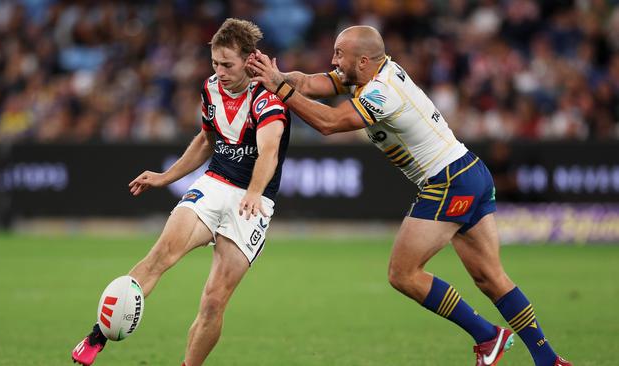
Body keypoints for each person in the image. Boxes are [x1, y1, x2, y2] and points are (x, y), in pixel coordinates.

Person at [248, 25, 571, 366]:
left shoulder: (383, 92)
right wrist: (277, 74)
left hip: (448, 181)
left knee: (403, 273)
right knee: (490, 277)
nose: (333, 61)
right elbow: (313, 83)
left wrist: (280, 90)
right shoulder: (373, 70)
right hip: (468, 171)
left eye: (339, 54)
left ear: (362, 60)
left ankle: (487, 335)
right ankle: (548, 360)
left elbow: (329, 122)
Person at [71, 18, 291, 366]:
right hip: (214, 184)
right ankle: (97, 336)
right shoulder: (212, 89)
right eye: (215, 63)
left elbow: (269, 152)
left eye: (228, 64)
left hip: (253, 202)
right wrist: (165, 176)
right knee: (161, 256)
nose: (219, 71)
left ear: (250, 60)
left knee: (214, 300)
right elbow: (206, 140)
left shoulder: (269, 99)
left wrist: (253, 191)